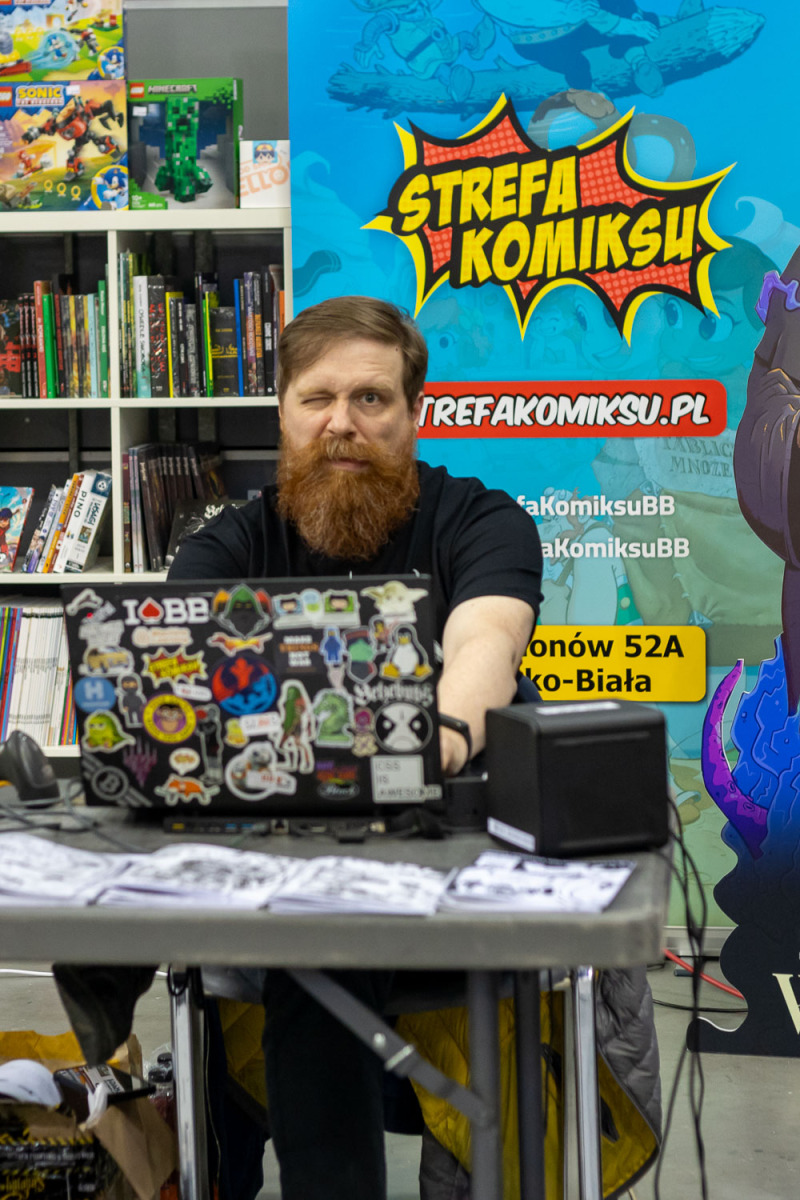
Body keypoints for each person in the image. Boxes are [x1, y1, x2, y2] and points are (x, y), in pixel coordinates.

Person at [167, 294, 543, 1200]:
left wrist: (431, 742)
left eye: (371, 398)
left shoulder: (481, 520)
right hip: (274, 879)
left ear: (414, 413)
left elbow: (486, 644)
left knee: (318, 951)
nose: (342, 422)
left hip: (446, 874)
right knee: (309, 945)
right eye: (318, 398)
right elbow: (187, 692)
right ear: (283, 414)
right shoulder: (224, 547)